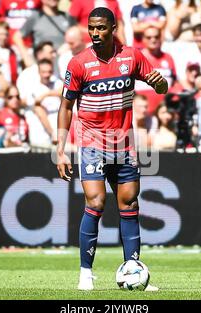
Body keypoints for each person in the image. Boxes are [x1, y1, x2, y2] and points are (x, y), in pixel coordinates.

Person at [56, 7, 167, 291]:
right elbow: (66, 106)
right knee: (95, 202)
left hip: (124, 144)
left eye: (101, 28)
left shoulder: (132, 56)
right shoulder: (78, 63)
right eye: (91, 28)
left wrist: (161, 83)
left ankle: (132, 268)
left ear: (113, 28)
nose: (95, 33)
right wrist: (60, 149)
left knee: (129, 205)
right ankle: (85, 273)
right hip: (92, 143)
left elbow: (162, 88)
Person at [13, 0, 76, 68]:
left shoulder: (67, 17)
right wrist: (26, 57)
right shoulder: (36, 16)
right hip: (43, 68)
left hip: (64, 65)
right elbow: (17, 37)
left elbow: (77, 37)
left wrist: (69, 45)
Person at [135, 26, 177, 115]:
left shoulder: (168, 57)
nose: (153, 40)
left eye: (156, 37)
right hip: (143, 113)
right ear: (142, 39)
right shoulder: (136, 58)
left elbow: (175, 81)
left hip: (165, 113)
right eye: (149, 37)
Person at [23, 58, 63, 148]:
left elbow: (65, 90)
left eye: (49, 72)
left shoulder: (56, 83)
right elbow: (38, 110)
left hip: (59, 134)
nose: (46, 75)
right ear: (38, 71)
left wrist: (47, 94)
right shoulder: (33, 87)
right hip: (40, 136)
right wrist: (52, 133)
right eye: (43, 72)